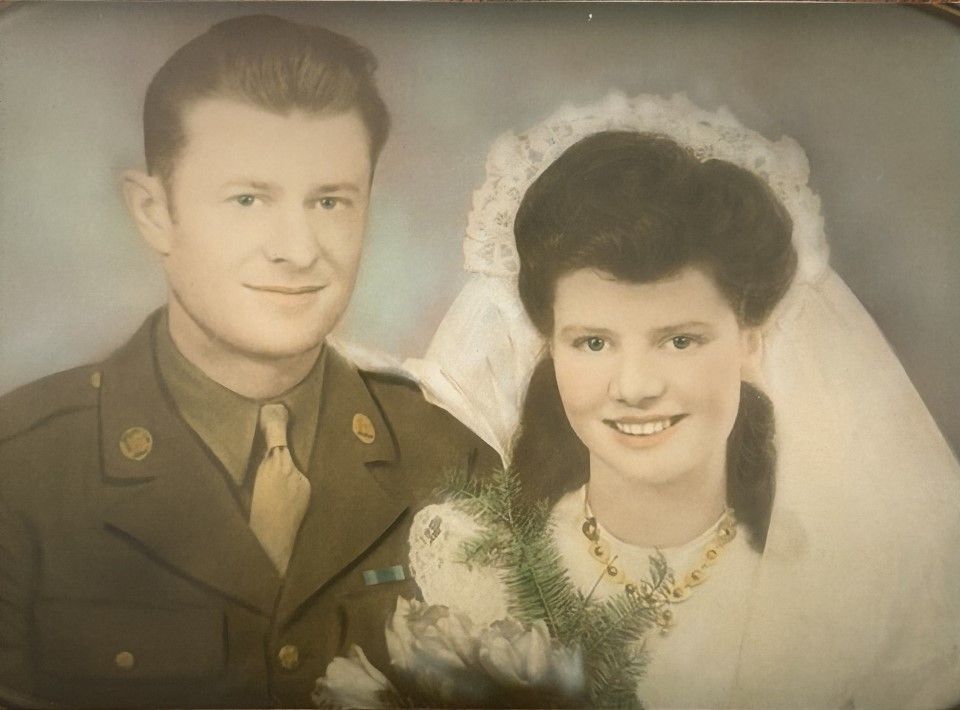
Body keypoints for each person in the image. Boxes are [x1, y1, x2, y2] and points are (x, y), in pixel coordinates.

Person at [0, 15, 496, 708]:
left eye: (330, 201)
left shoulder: (451, 463)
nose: (297, 248)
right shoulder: (20, 468)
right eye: (247, 199)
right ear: (154, 213)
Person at [406, 93, 960, 708]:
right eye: (593, 342)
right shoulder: (481, 571)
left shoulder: (848, 583)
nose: (635, 386)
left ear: (751, 342)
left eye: (680, 340)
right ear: (550, 350)